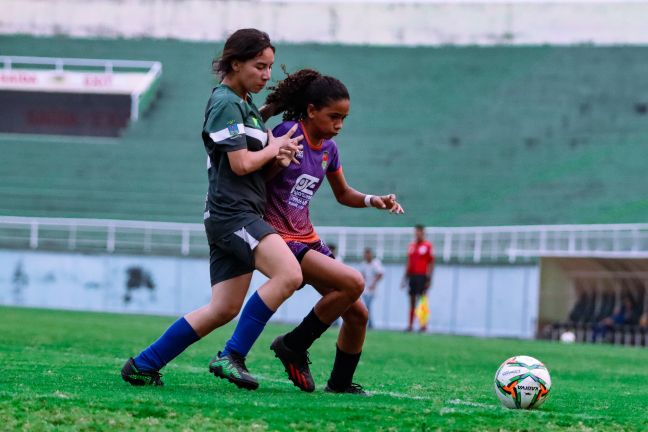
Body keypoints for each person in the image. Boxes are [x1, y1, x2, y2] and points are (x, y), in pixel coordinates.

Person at [120, 28, 303, 389]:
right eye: (259, 66)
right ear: (235, 63)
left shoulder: (245, 104)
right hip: (233, 215)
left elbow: (257, 167)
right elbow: (240, 164)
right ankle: (231, 355)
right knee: (289, 275)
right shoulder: (225, 102)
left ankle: (143, 364)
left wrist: (279, 156)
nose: (266, 75)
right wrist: (274, 146)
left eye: (269, 67)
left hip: (234, 213)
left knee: (222, 309)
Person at [216, 68, 404, 394]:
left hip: (308, 237)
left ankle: (340, 383)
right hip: (280, 237)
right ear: (312, 109)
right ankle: (292, 345)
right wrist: (278, 161)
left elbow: (344, 194)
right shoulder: (288, 132)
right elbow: (255, 181)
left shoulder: (329, 150)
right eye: (334, 117)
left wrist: (375, 200)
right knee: (353, 283)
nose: (339, 126)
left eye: (344, 119)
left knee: (357, 314)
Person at [401, 224, 434, 332]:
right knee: (412, 300)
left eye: (419, 232)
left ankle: (423, 325)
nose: (417, 234)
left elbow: (431, 263)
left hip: (422, 276)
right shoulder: (411, 246)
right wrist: (404, 279)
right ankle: (410, 325)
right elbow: (408, 263)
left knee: (423, 300)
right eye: (416, 232)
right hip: (412, 276)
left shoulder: (428, 246)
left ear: (423, 233)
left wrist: (429, 278)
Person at [359, 247, 384, 329]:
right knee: (366, 306)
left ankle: (370, 323)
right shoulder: (363, 264)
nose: (366, 256)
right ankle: (369, 323)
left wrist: (373, 283)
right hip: (365, 289)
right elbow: (361, 275)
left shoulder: (375, 263)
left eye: (368, 254)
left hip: (372, 289)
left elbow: (380, 274)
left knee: (368, 306)